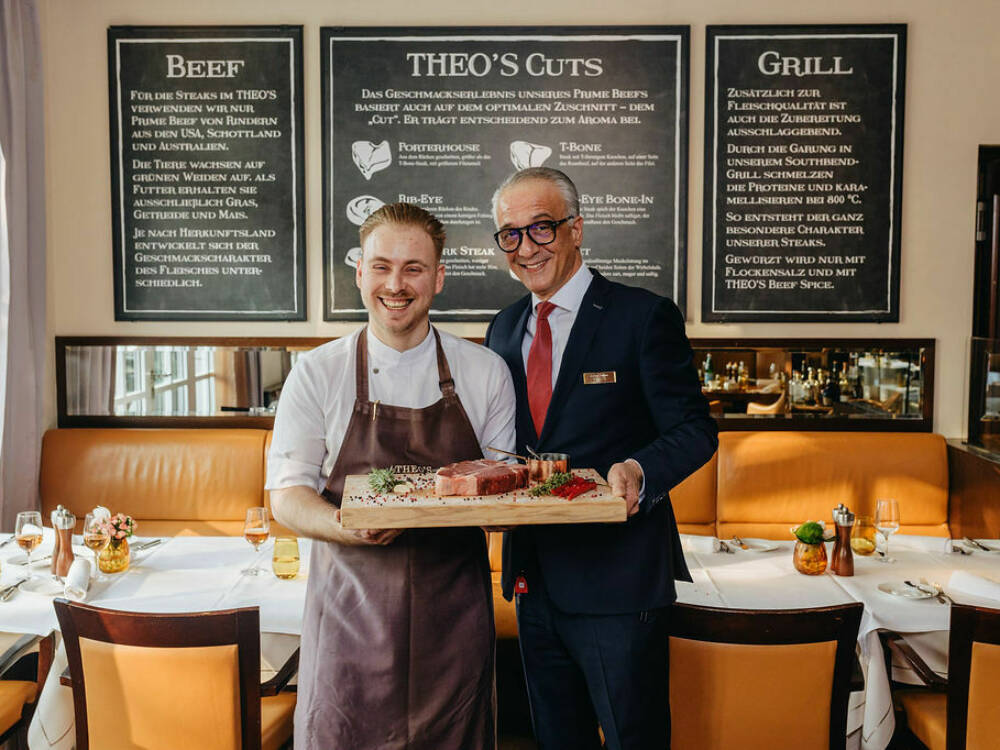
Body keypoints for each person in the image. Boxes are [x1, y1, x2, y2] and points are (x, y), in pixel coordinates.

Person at [484, 168, 718, 750]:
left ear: (576, 228)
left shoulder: (642, 316)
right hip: (532, 580)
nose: (526, 247)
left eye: (541, 227)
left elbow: (694, 429)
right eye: (510, 235)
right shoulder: (504, 326)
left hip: (618, 584)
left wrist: (640, 469)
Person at [267, 202, 515, 750]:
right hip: (349, 613)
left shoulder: (485, 371)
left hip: (453, 619)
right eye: (381, 266)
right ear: (360, 272)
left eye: (413, 268)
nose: (395, 284)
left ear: (439, 277)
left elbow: (501, 488)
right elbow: (286, 496)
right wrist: (344, 524)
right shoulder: (317, 372)